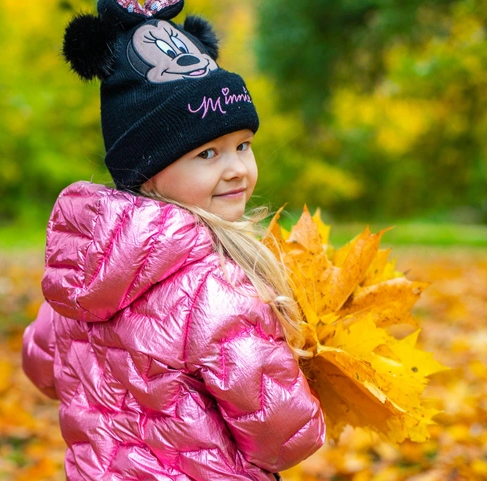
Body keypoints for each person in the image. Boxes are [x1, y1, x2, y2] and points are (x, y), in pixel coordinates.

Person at [22, 1, 326, 479]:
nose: (236, 169)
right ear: (148, 171)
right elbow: (284, 436)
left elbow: (42, 367)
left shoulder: (80, 269)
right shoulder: (215, 287)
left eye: (243, 146)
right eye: (208, 153)